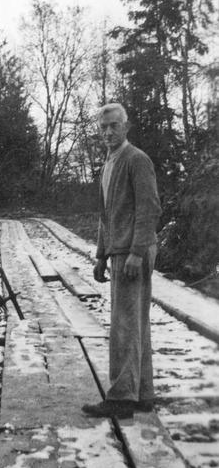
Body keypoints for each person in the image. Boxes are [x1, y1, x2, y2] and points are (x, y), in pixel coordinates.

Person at [82, 103, 161, 419]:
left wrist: (136, 252)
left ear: (126, 127)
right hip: (118, 252)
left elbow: (149, 209)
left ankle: (121, 399)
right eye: (103, 127)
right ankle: (142, 393)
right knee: (133, 322)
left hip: (133, 253)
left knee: (124, 325)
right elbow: (106, 216)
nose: (108, 132)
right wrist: (101, 254)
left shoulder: (136, 160)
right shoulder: (108, 163)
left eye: (114, 125)